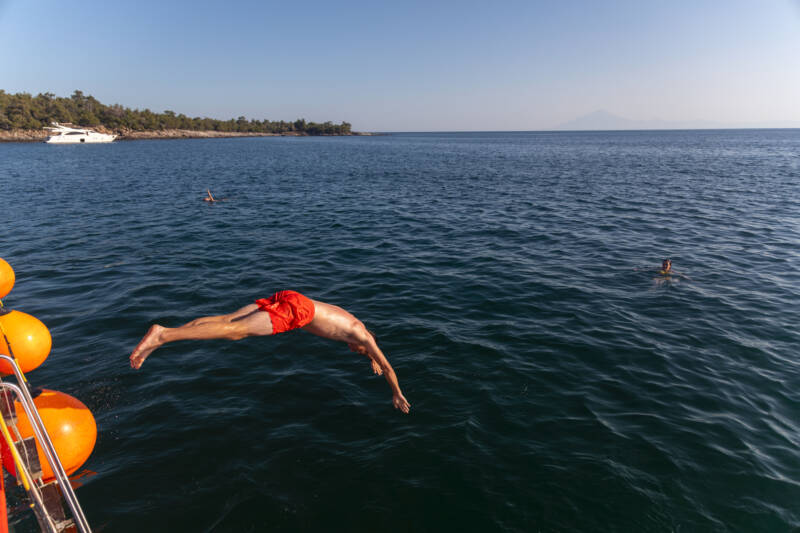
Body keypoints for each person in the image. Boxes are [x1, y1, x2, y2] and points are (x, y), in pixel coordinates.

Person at [129, 290, 411, 413]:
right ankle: (163, 334)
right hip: (298, 311)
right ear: (366, 343)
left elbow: (372, 354)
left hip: (294, 298)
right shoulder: (361, 334)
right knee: (235, 332)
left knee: (228, 321)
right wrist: (395, 392)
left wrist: (370, 357)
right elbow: (388, 366)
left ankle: (164, 335)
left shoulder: (354, 323)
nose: (352, 350)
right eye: (358, 351)